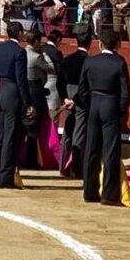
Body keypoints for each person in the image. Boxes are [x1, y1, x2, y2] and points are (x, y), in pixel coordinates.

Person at [71, 27, 130, 204]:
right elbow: (126, 94)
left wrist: (89, 106)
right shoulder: (119, 62)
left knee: (91, 149)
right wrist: (118, 110)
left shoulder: (90, 62)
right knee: (110, 150)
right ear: (116, 45)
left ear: (100, 44)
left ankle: (89, 192)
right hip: (110, 104)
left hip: (94, 104)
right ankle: (109, 194)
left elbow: (82, 90)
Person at [0, 20, 33, 188]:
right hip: (12, 93)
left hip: (0, 92)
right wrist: (28, 102)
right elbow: (21, 79)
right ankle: (5, 177)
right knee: (10, 135)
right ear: (19, 33)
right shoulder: (20, 52)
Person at [56, 30, 91, 177]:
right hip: (80, 98)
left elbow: (59, 82)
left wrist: (65, 98)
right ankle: (77, 169)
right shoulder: (89, 61)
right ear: (89, 44)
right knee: (79, 132)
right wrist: (75, 100)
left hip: (68, 94)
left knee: (68, 132)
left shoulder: (67, 59)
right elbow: (86, 85)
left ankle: (63, 167)